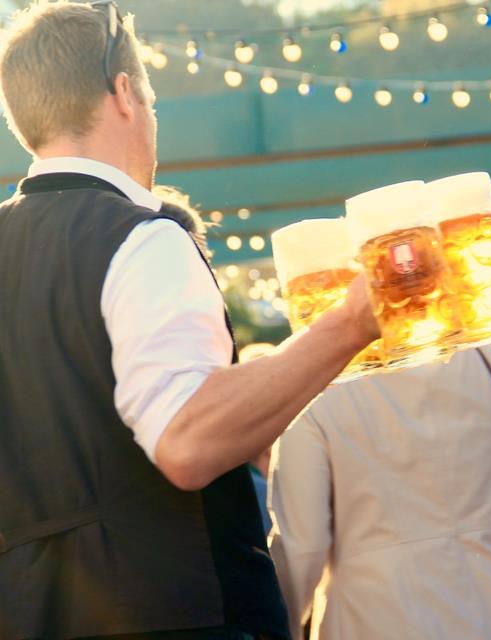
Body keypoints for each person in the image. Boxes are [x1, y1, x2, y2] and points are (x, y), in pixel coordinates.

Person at [0, 4, 378, 638]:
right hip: (177, 614)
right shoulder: (140, 236)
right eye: (150, 97)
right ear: (124, 93)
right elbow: (186, 441)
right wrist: (351, 325)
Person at [268, 346, 491, 640]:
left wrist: (280, 628)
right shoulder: (490, 360)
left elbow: (303, 548)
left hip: (378, 612)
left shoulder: (315, 372)